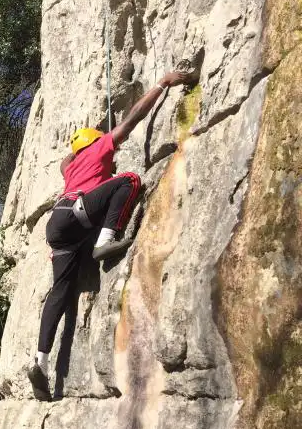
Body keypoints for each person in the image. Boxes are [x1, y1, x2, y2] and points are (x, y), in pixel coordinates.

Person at [28, 69, 196, 400]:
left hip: (58, 226)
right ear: (94, 143)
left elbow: (66, 160)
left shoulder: (70, 166)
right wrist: (162, 83)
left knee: (60, 293)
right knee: (129, 179)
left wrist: (79, 149)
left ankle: (41, 363)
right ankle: (105, 241)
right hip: (79, 213)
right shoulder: (101, 146)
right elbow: (133, 119)